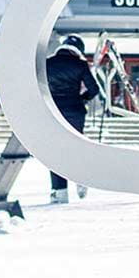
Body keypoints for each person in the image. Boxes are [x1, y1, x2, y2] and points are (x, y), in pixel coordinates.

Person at [45, 34, 98, 203]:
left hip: (53, 112)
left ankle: (59, 191)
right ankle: (81, 178)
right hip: (75, 112)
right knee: (75, 146)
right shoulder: (80, 65)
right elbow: (94, 89)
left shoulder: (47, 63)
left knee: (55, 151)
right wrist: (82, 98)